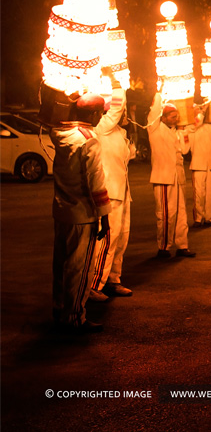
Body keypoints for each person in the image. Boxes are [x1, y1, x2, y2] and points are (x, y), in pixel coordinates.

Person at [50, 93, 112, 333]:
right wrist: (105, 217)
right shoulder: (89, 140)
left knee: (61, 265)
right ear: (95, 114)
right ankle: (75, 318)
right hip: (83, 214)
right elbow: (95, 183)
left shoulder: (61, 134)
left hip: (62, 210)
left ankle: (59, 311)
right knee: (79, 269)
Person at [89, 71, 134, 301]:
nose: (125, 113)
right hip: (109, 192)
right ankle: (95, 284)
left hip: (123, 192)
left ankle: (113, 280)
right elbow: (116, 107)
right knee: (107, 238)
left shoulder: (121, 132)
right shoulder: (102, 126)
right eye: (123, 110)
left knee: (121, 237)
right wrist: (118, 83)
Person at [147, 93, 195, 258]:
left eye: (177, 116)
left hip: (178, 177)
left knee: (181, 213)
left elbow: (186, 150)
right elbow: (153, 112)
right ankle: (163, 247)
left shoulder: (177, 131)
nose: (175, 119)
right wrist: (160, 90)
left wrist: (185, 130)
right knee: (166, 214)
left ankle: (182, 245)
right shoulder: (154, 128)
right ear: (163, 117)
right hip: (163, 178)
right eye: (172, 116)